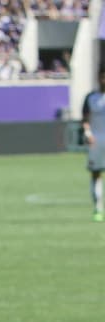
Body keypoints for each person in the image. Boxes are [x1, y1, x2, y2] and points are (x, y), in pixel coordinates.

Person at [81, 68, 105, 222]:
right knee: (96, 173)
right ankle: (98, 207)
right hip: (96, 141)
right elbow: (85, 119)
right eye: (102, 77)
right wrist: (88, 134)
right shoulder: (91, 97)